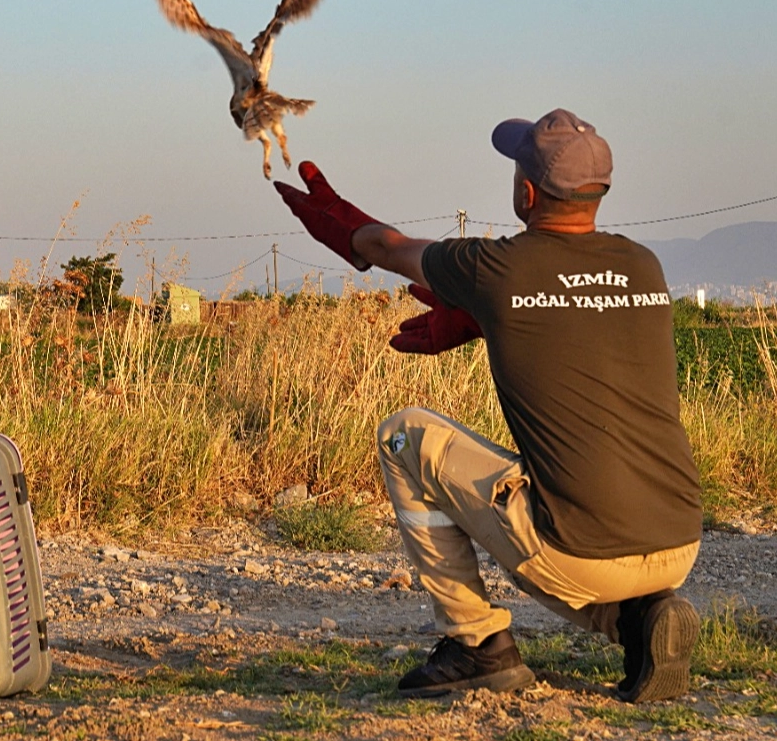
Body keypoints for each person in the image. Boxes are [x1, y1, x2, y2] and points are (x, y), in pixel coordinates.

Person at [276, 109, 703, 702]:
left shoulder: (495, 267)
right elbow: (570, 315)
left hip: (582, 551)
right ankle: (637, 622)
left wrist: (336, 221)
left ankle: (476, 643)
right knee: (565, 518)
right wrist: (482, 317)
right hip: (679, 541)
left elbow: (387, 246)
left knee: (404, 436)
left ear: (526, 193)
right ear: (599, 191)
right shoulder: (642, 265)